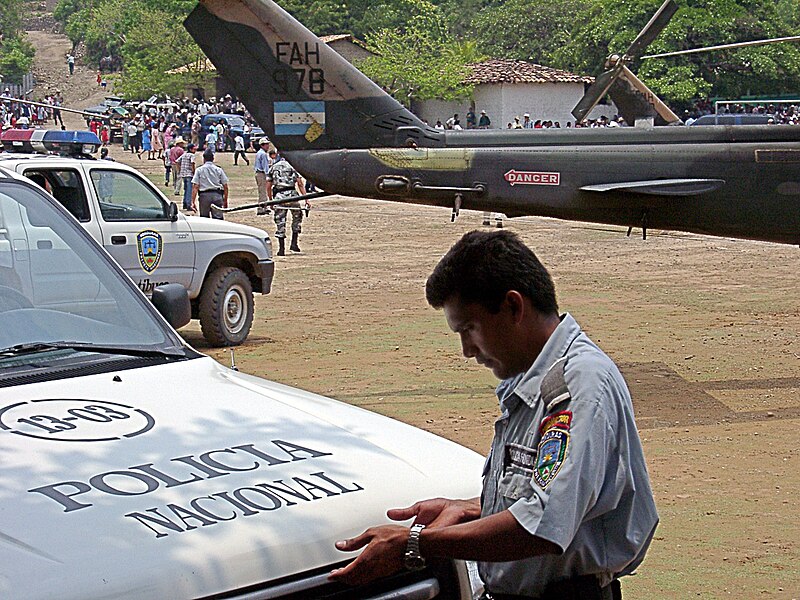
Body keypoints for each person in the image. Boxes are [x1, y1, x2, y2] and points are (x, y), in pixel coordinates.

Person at [330, 230, 658, 599]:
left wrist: (417, 543)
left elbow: (542, 525)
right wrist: (473, 509)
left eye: (470, 329)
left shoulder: (576, 385)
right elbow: (555, 497)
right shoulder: (532, 381)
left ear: (514, 307)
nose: (467, 350)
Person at [266, 149, 305, 255]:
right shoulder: (293, 166)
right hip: (292, 195)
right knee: (297, 218)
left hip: (279, 196)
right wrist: (306, 198)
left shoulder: (273, 167)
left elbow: (268, 185)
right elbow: (300, 183)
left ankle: (281, 249)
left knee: (280, 221)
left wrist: (270, 200)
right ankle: (294, 243)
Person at [191, 148, 228, 219]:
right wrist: (225, 200)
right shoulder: (218, 169)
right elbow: (225, 186)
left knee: (205, 219)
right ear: (213, 159)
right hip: (217, 195)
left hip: (204, 196)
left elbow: (195, 186)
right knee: (218, 219)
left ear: (204, 158)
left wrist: (193, 202)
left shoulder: (199, 170)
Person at [254, 137, 271, 215]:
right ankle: (261, 208)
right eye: (266, 144)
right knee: (263, 191)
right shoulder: (263, 154)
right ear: (262, 145)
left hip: (258, 173)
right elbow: (265, 166)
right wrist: (268, 175)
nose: (268, 146)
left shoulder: (259, 153)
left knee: (262, 191)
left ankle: (264, 206)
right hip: (261, 174)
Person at [179, 142, 197, 210]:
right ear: (191, 149)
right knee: (189, 190)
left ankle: (185, 203)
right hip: (189, 174)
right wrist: (194, 172)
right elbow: (192, 163)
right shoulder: (192, 155)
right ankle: (189, 204)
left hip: (183, 174)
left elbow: (177, 161)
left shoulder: (184, 154)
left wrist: (180, 169)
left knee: (186, 189)